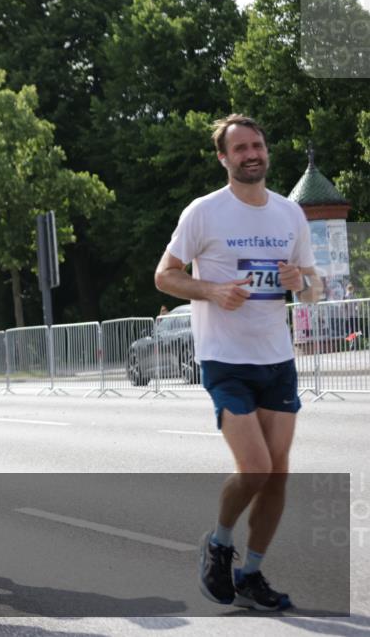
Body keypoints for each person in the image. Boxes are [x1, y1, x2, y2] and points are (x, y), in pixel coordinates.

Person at [155, 114, 321, 611]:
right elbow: (165, 275)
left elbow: (313, 287)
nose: (252, 154)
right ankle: (220, 541)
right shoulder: (204, 212)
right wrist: (210, 289)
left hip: (277, 358)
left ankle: (251, 574)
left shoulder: (290, 214)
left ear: (266, 151)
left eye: (258, 145)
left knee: (278, 474)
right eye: (240, 148)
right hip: (225, 359)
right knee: (255, 468)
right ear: (223, 158)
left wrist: (300, 283)